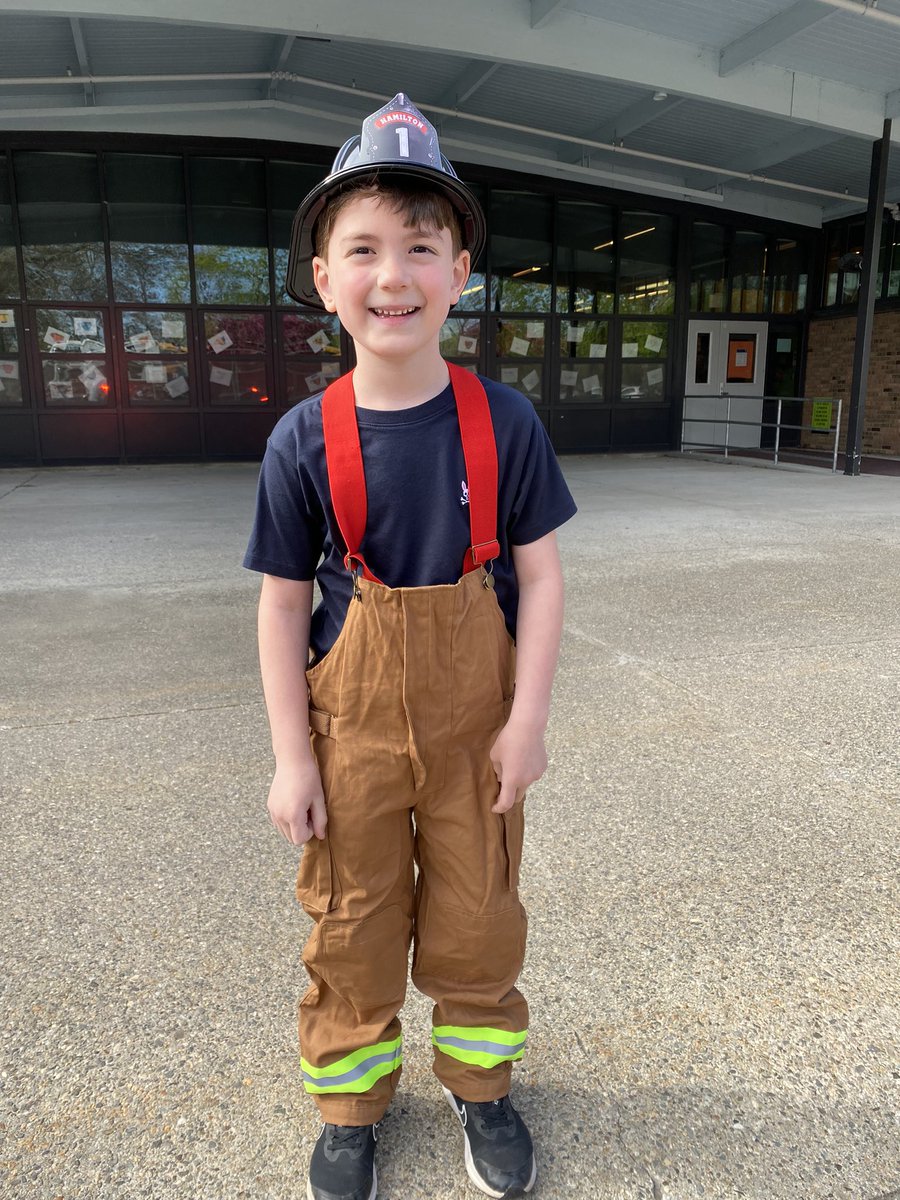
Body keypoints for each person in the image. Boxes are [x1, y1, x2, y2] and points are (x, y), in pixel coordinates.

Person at [244, 92, 576, 1200]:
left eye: (422, 247)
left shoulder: (506, 422)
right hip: (353, 737)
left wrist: (528, 723)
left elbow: (539, 573)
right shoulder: (304, 438)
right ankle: (350, 1105)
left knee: (480, 914)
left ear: (462, 272)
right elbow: (285, 605)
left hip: (480, 729)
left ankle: (482, 1088)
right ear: (325, 279)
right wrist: (294, 758)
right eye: (365, 250)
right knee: (351, 919)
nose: (395, 274)